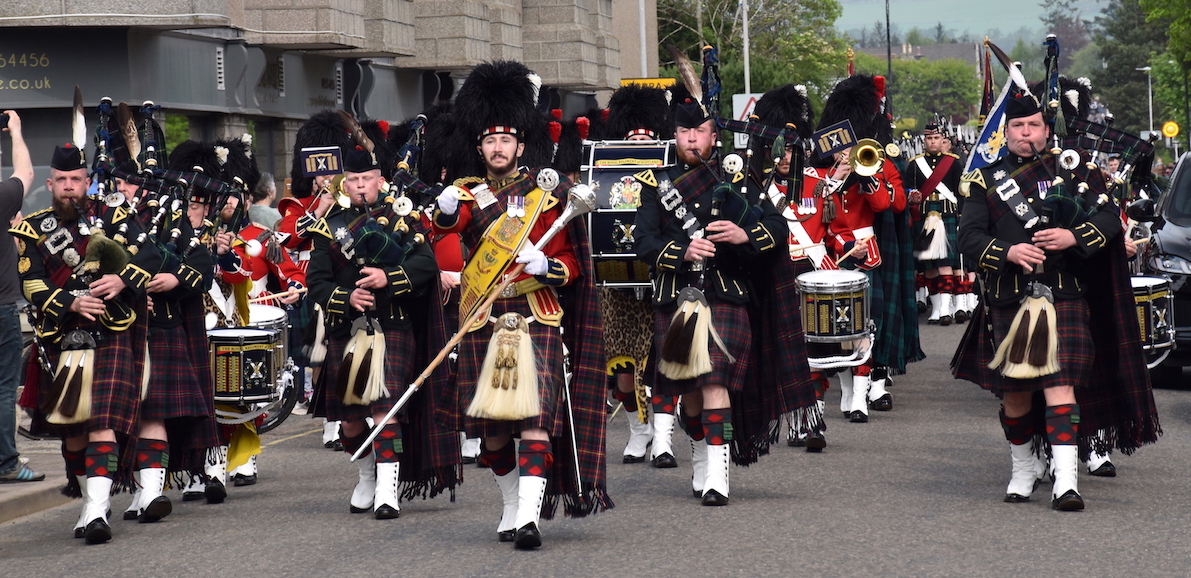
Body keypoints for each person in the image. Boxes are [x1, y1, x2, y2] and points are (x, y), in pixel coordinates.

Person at [429, 60, 611, 549]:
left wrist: (541, 267)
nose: (497, 148)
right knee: (492, 432)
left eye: (505, 140)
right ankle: (511, 504)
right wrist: (443, 215)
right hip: (485, 315)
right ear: (480, 147)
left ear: (520, 145)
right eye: (489, 141)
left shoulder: (548, 196)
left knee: (534, 420)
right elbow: (444, 240)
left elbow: (574, 265)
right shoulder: (467, 195)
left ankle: (528, 516)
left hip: (537, 316)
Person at [953, 94, 1161, 510]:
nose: (1025, 133)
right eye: (1017, 127)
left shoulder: (1075, 170)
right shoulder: (983, 180)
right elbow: (969, 237)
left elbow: (1106, 221)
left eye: (1032, 126)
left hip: (1064, 292)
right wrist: (1008, 252)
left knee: (1059, 384)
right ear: (1005, 133)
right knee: (1016, 393)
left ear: (1047, 130)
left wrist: (1073, 237)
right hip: (1011, 295)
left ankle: (1067, 482)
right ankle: (1024, 468)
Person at [635, 87, 818, 506]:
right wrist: (680, 251)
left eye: (700, 130)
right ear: (675, 136)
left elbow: (776, 227)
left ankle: (718, 476)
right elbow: (642, 241)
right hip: (678, 298)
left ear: (714, 136)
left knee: (716, 381)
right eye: (685, 131)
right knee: (692, 396)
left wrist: (743, 234)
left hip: (727, 293)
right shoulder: (654, 185)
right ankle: (700, 448)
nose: (693, 138)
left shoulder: (739, 179)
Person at [14, 142, 162, 543]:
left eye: (75, 180)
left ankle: (98, 510)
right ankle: (88, 502)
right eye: (61, 180)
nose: (68, 187)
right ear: (49, 183)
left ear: (86, 182)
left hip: (112, 332)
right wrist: (72, 301)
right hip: (63, 337)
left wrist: (122, 279)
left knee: (100, 424)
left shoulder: (114, 216)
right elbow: (31, 283)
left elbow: (149, 255)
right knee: (73, 432)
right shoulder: (33, 228)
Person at [308, 135, 460, 520]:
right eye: (354, 179)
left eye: (367, 179)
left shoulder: (402, 220)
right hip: (349, 328)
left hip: (393, 325)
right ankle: (367, 475)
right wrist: (348, 298)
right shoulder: (330, 226)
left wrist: (388, 277)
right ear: (345, 182)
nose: (361, 186)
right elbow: (318, 282)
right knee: (352, 417)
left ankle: (388, 492)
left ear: (380, 180)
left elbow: (426, 265)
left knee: (385, 409)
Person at [112, 171, 215, 524]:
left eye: (127, 184)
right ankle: (142, 489)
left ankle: (153, 491)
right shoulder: (103, 221)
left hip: (163, 328)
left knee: (153, 411)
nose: (121, 190)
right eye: (118, 184)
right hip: (120, 329)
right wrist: (134, 295)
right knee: (128, 417)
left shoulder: (170, 219)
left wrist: (175, 279)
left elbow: (203, 264)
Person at [749, 84, 829, 450]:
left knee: (815, 347)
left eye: (791, 150)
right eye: (779, 151)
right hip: (776, 271)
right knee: (781, 348)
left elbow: (837, 227)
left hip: (814, 269)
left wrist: (848, 246)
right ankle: (786, 418)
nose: (785, 158)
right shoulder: (756, 187)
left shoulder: (818, 184)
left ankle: (814, 419)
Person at [598, 84, 674, 465]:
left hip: (662, 273)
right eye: (634, 133)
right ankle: (637, 430)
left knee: (664, 363)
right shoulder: (604, 168)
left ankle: (662, 437)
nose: (640, 139)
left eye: (647, 133)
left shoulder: (671, 168)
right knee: (624, 370)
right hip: (616, 278)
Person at [0, 110, 42, 483]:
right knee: (2, 386)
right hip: (1, 310)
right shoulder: (1, 196)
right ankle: (6, 463)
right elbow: (26, 173)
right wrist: (15, 132)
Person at [904, 123, 965, 325]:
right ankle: (936, 309)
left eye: (937, 138)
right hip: (925, 218)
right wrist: (912, 196)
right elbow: (908, 189)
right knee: (929, 265)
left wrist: (961, 218)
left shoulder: (953, 163)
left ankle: (946, 309)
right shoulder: (914, 164)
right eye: (929, 139)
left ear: (942, 140)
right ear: (924, 141)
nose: (933, 142)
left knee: (946, 263)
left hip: (947, 215)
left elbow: (961, 192)